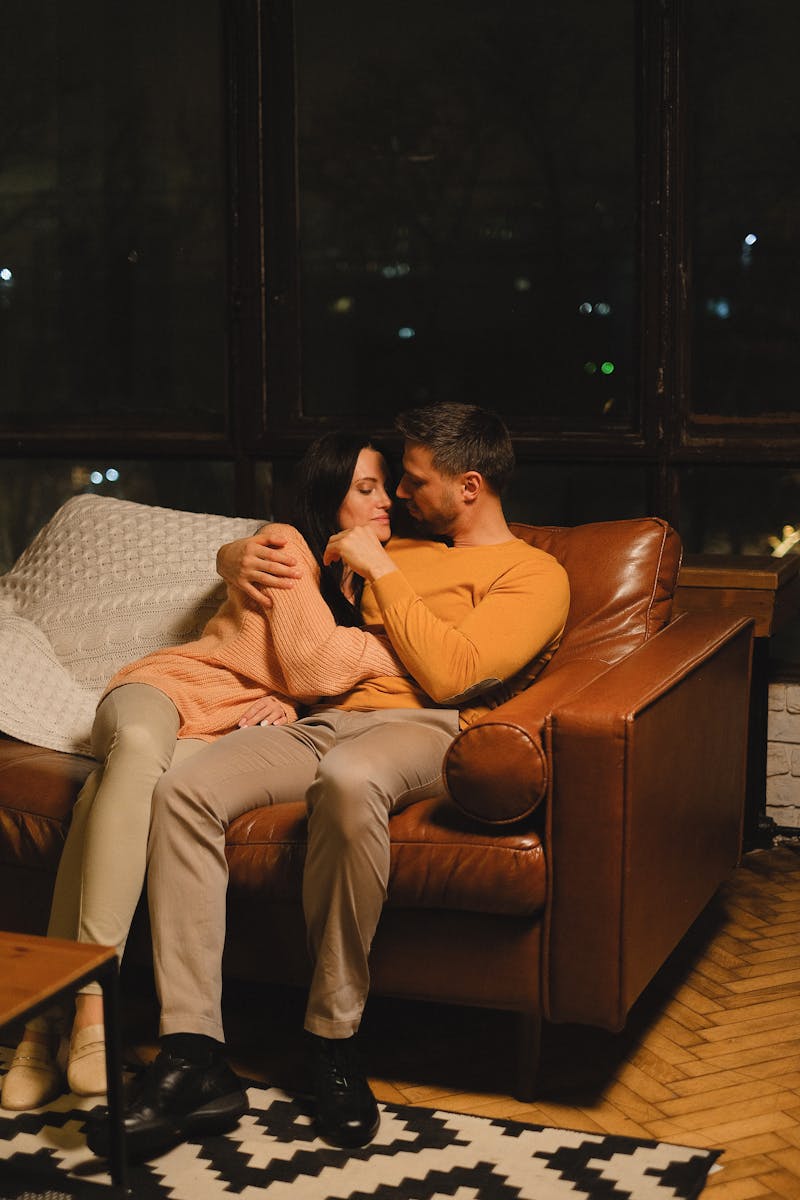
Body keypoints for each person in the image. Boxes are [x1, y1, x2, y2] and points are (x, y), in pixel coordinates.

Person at [87, 401, 570, 1159]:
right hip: (320, 723)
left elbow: (452, 677)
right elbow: (295, 592)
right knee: (181, 792)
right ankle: (194, 1051)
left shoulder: (534, 575)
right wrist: (236, 556)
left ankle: (333, 1039)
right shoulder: (391, 546)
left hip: (425, 733)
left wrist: (381, 571)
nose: (402, 496)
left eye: (414, 482)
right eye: (395, 483)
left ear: (470, 485)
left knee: (348, 779)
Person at [1, 432, 404, 1112]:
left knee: (111, 793)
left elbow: (304, 674)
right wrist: (396, 658)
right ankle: (95, 1008)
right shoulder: (286, 545)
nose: (386, 499)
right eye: (366, 487)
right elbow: (315, 662)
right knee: (131, 755)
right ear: (329, 495)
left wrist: (296, 695)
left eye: (387, 486)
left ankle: (44, 1026)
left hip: (223, 728)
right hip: (162, 694)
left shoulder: (362, 578)